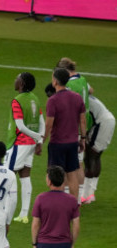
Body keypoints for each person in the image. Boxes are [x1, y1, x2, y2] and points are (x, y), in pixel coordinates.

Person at [4, 72, 44, 224]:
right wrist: (39, 140)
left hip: (18, 144)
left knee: (7, 176)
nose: (15, 80)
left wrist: (37, 137)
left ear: (21, 84)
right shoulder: (35, 98)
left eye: (17, 79)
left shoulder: (17, 101)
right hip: (31, 145)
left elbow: (20, 126)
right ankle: (24, 214)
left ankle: (6, 212)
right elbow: (41, 122)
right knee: (25, 175)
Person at [43, 68, 86, 201]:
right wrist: (83, 139)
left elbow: (49, 124)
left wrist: (42, 140)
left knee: (56, 174)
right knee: (72, 174)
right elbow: (83, 121)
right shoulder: (77, 97)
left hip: (57, 143)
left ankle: (59, 203)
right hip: (73, 142)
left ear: (55, 81)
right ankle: (74, 204)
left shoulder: (53, 100)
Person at [57, 57, 92, 201]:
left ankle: (66, 196)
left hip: (71, 128)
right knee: (79, 163)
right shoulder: (82, 80)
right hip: (84, 127)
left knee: (67, 165)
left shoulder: (69, 85)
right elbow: (91, 90)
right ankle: (80, 198)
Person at [81, 95, 114, 203]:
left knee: (90, 157)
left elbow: (85, 120)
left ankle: (86, 195)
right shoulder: (84, 93)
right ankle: (90, 193)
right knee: (96, 156)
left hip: (101, 123)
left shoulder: (79, 99)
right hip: (107, 120)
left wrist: (83, 136)